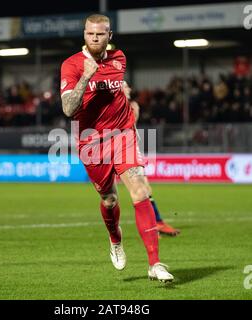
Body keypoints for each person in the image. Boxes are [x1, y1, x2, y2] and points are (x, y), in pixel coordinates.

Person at [60, 14, 174, 282]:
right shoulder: (71, 65)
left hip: (123, 134)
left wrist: (126, 97)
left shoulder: (119, 58)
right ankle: (115, 238)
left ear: (109, 36)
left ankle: (155, 264)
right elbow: (68, 109)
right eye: (90, 34)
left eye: (100, 34)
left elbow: (116, 88)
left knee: (140, 190)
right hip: (91, 140)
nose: (95, 38)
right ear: (84, 35)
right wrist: (86, 78)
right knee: (109, 199)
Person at [122, 81, 180, 237]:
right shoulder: (115, 106)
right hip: (122, 151)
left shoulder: (132, 105)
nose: (128, 88)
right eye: (124, 85)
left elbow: (130, 121)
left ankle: (156, 223)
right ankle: (154, 225)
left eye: (127, 85)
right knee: (141, 189)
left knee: (145, 189)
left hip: (131, 149)